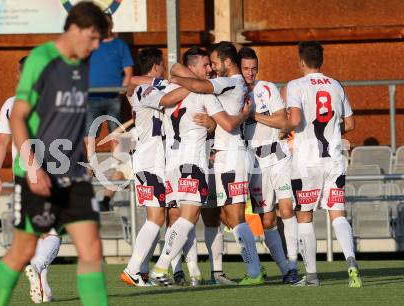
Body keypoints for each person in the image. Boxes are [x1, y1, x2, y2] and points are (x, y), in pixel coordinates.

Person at [0, 3, 109, 306]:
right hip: (38, 170)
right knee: (22, 251)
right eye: (93, 38)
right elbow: (18, 119)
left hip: (68, 170)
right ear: (76, 29)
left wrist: (84, 160)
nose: (96, 46)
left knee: (91, 249)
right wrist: (33, 168)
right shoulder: (42, 61)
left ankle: (40, 269)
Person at [165, 41, 264, 285]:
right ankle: (240, 271)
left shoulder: (231, 80)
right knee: (226, 216)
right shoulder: (230, 83)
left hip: (233, 154)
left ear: (227, 62)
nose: (212, 67)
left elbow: (200, 86)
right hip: (222, 154)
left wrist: (178, 79)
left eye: (215, 62)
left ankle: (254, 271)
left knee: (236, 217)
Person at [285, 40, 361, 287]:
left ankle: (313, 276)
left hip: (306, 161)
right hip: (334, 160)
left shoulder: (296, 85)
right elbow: (350, 124)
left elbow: (295, 119)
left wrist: (282, 129)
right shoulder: (336, 85)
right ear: (321, 61)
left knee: (304, 216)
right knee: (337, 213)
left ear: (301, 62)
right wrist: (331, 130)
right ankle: (351, 263)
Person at [0, 56, 62, 303]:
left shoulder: (10, 104)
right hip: (47, 174)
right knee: (53, 233)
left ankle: (43, 289)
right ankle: (38, 265)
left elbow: (1, 142)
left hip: (21, 176)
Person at [120, 47, 190, 287]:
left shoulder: (156, 85)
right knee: (156, 218)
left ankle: (143, 270)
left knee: (162, 218)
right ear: (156, 65)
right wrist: (197, 85)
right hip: (148, 162)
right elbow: (134, 83)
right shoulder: (142, 89)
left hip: (161, 163)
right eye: (161, 65)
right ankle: (132, 269)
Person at [238, 47, 300, 284]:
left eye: (254, 68)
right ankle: (285, 269)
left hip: (278, 158)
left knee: (286, 210)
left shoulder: (267, 88)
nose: (250, 73)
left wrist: (254, 116)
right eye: (246, 68)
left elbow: (281, 120)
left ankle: (293, 266)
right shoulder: (233, 92)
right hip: (254, 164)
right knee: (268, 221)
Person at [85, 13, 134, 211]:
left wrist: (121, 92)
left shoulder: (120, 45)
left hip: (113, 98)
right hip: (91, 98)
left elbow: (128, 72)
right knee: (89, 138)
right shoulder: (91, 44)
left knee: (117, 138)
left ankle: (112, 180)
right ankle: (89, 173)